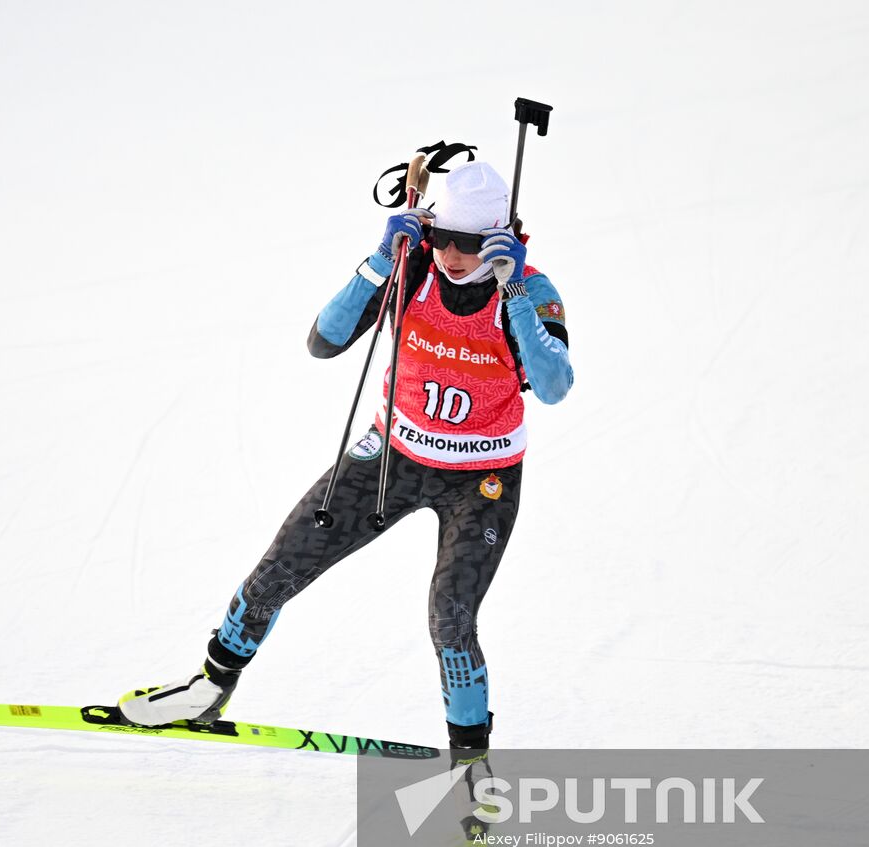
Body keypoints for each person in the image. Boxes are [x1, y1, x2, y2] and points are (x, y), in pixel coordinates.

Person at [117, 160, 573, 759]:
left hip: (480, 479)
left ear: (499, 239)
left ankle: (470, 759)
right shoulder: (412, 272)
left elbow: (554, 385)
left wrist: (512, 293)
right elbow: (323, 342)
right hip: (392, 458)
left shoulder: (531, 290)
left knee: (451, 618)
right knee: (279, 568)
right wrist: (379, 262)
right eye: (442, 238)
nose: (452, 255)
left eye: (468, 243)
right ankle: (210, 685)